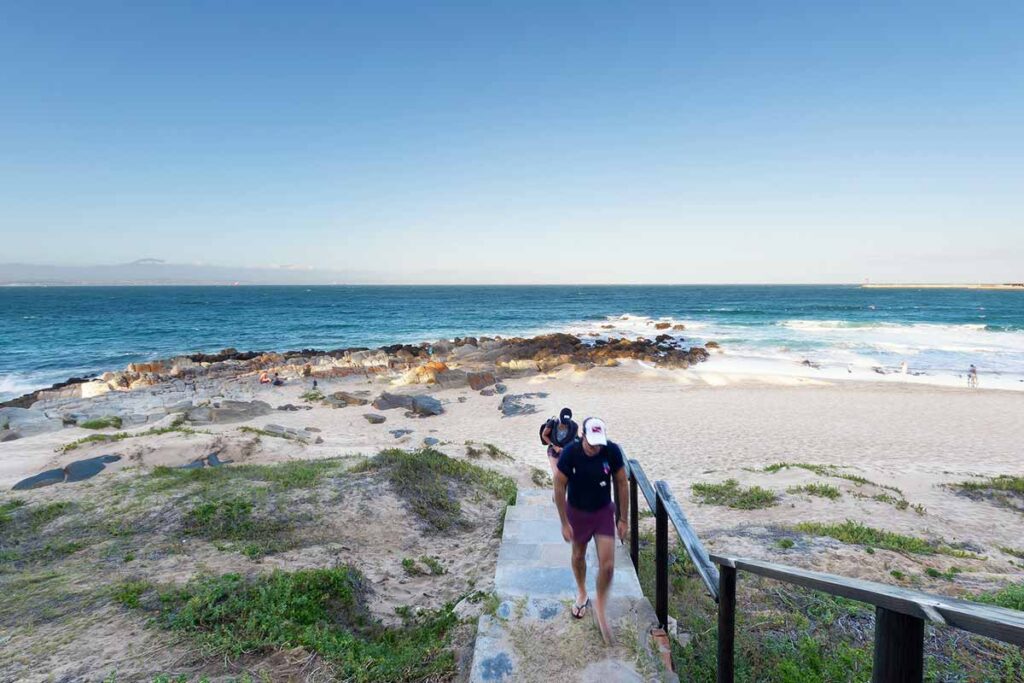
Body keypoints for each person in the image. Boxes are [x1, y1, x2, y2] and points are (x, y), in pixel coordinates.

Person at [553, 417, 628, 645]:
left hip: (603, 511)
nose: (595, 448)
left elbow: (622, 482)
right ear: (582, 436)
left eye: (599, 443)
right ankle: (582, 592)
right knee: (578, 555)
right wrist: (564, 522)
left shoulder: (611, 450)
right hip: (577, 513)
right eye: (591, 443)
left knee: (608, 566)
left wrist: (623, 518)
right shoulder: (570, 453)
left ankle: (601, 609)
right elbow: (558, 485)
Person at [540, 407, 579, 476]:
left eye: (566, 422)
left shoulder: (574, 426)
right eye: (563, 422)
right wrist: (554, 446)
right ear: (560, 418)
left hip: (566, 450)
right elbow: (544, 435)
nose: (564, 424)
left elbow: (576, 439)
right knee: (557, 473)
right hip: (553, 449)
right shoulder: (552, 423)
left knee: (567, 473)